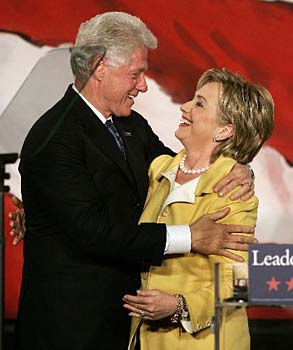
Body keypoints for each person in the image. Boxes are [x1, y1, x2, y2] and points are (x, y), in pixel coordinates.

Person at [15, 12, 255, 350]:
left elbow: (267, 280)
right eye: (136, 73)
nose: (143, 85)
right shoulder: (55, 138)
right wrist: (191, 237)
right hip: (74, 328)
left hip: (181, 335)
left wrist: (240, 166)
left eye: (199, 102)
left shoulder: (133, 127)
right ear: (99, 68)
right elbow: (95, 230)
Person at [123, 68, 274, 350]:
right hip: (144, 338)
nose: (185, 106)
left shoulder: (233, 191)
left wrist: (180, 306)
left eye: (200, 103)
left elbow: (242, 280)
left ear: (224, 130)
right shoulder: (159, 170)